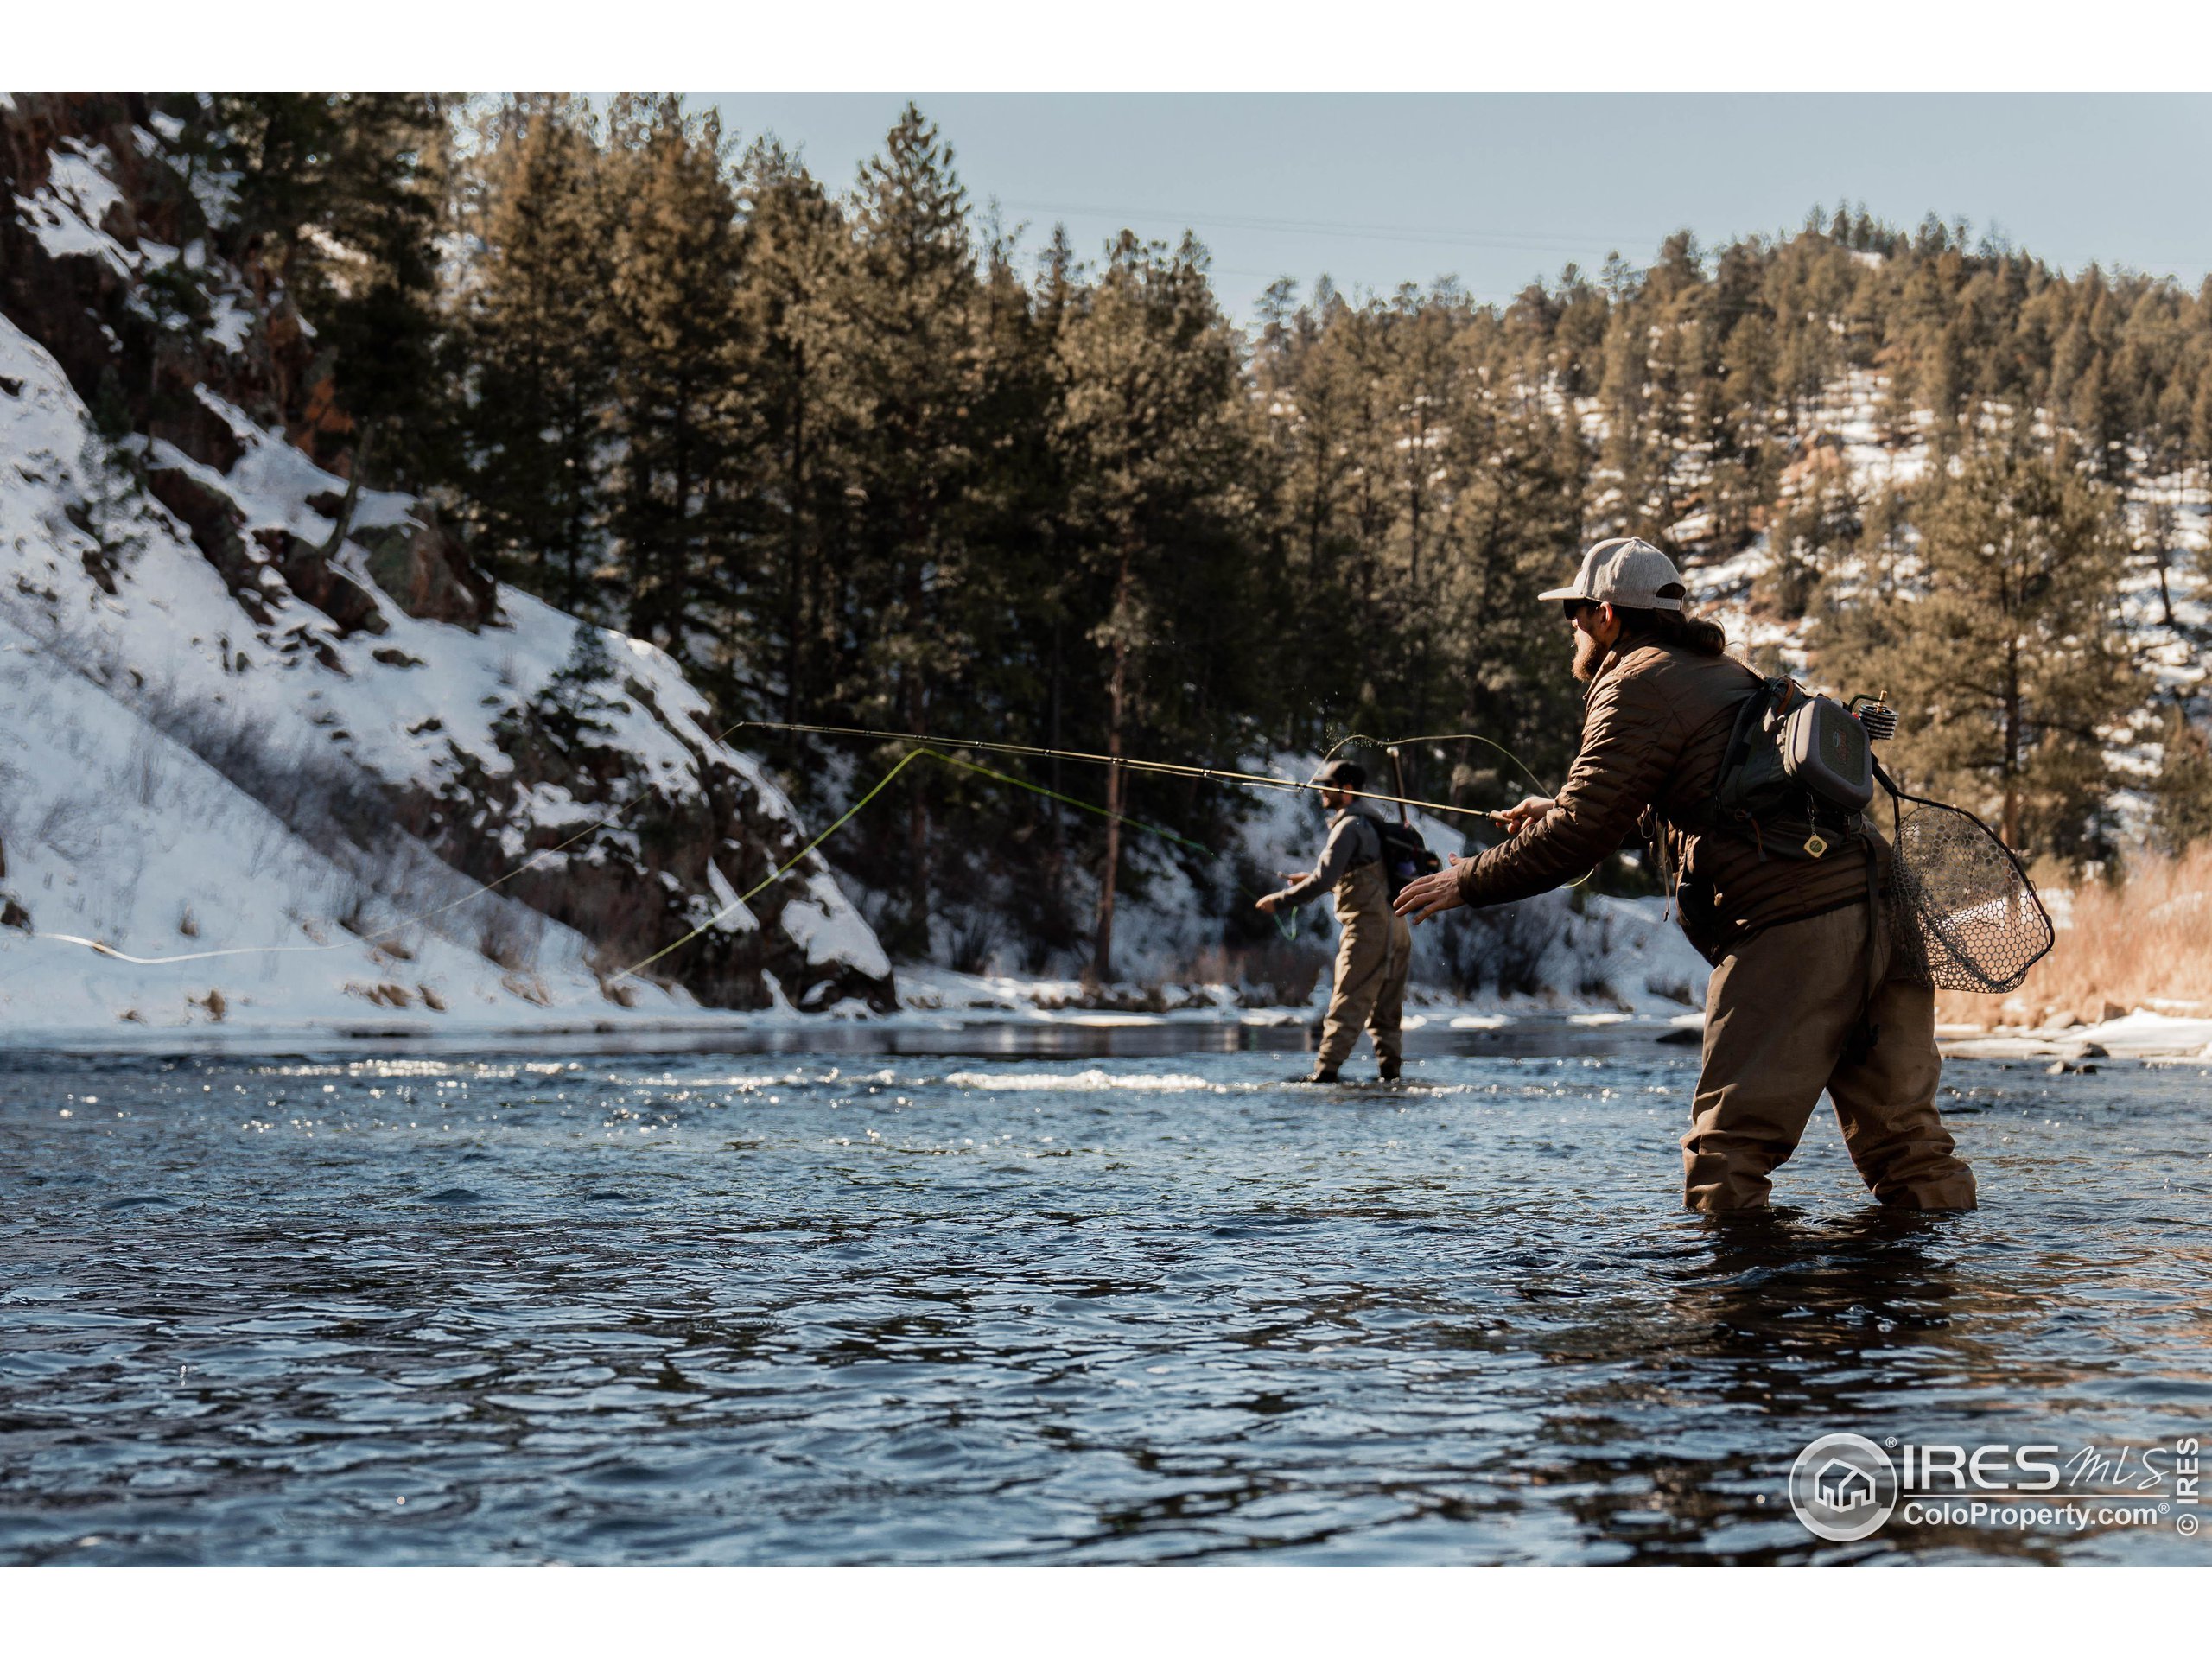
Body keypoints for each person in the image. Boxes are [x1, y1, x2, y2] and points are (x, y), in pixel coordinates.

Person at [1391, 536, 1976, 1213]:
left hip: (1795, 928)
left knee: (1725, 1157)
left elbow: (1582, 834)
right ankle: (1925, 1308)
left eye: (1575, 612)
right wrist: (1556, 807)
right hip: (1885, 910)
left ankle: (1737, 1317)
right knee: (1910, 1150)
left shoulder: (1633, 681)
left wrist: (1467, 881)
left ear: (1607, 612)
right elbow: (1713, 801)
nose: (1572, 628)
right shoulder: (1721, 671)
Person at [1257, 760, 1413, 1083]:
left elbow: (1324, 882)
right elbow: (1358, 879)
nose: (1321, 793)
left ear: (1348, 790)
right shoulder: (1374, 824)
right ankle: (1391, 1078)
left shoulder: (1348, 827)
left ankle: (1324, 1075)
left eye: (1327, 786)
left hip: (1368, 931)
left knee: (1347, 1003)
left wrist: (1280, 901)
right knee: (1386, 1012)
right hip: (1397, 929)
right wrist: (1315, 879)